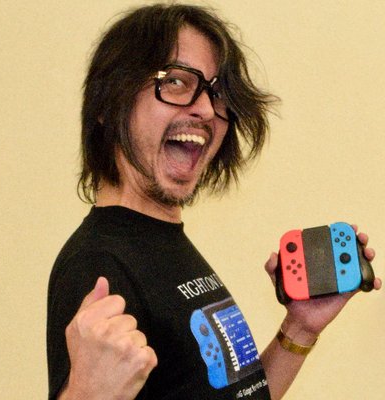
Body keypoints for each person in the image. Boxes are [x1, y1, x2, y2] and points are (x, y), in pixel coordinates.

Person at [47, 4, 381, 400]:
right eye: (175, 81)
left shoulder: (163, 241)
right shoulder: (98, 265)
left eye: (216, 92)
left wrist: (300, 329)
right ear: (108, 104)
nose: (206, 109)